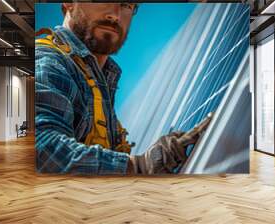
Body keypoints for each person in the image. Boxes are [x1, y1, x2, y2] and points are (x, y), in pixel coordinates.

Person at [35, 3, 212, 175]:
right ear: (68, 4)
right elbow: (42, 147)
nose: (115, 15)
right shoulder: (49, 63)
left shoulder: (99, 79)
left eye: (127, 5)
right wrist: (138, 166)